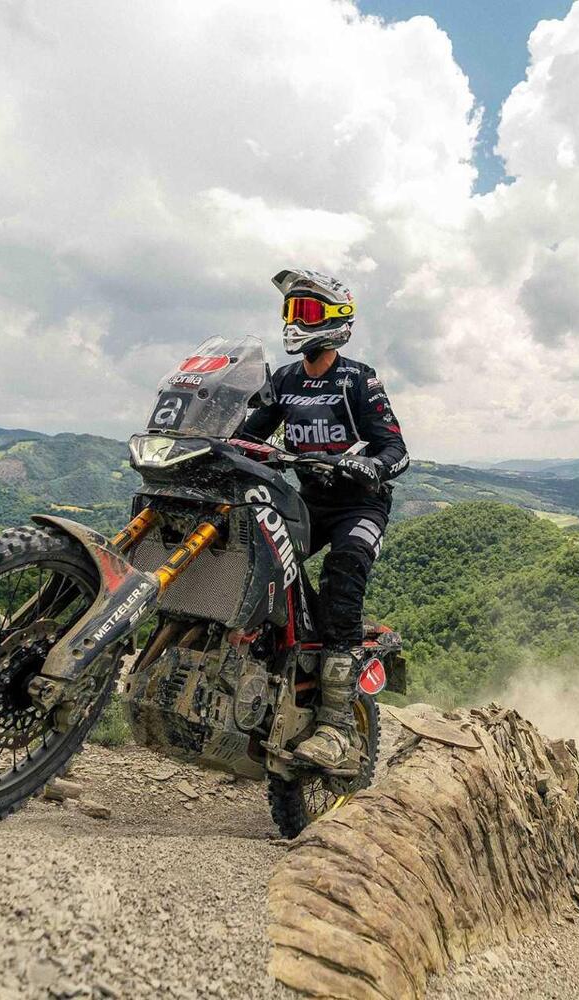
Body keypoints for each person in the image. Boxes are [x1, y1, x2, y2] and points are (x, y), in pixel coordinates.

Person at [239, 268, 409, 771]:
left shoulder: (359, 379)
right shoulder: (285, 380)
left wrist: (370, 465)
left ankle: (336, 723)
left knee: (345, 569)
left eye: (306, 311)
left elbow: (397, 449)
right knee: (257, 557)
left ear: (336, 320)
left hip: (359, 504)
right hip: (309, 501)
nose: (295, 322)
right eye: (290, 311)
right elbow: (248, 435)